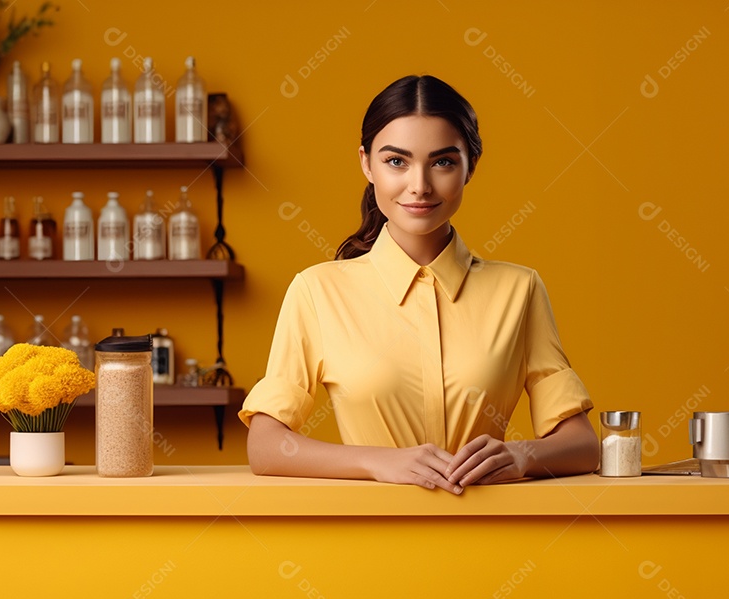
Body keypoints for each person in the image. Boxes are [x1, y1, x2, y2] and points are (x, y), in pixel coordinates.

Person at [240, 75, 598, 494]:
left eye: (443, 162)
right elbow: (265, 446)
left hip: (496, 536)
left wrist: (521, 456)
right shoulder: (317, 292)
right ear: (366, 163)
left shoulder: (520, 290)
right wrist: (379, 462)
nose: (420, 186)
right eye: (397, 161)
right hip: (373, 538)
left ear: (470, 166)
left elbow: (583, 445)